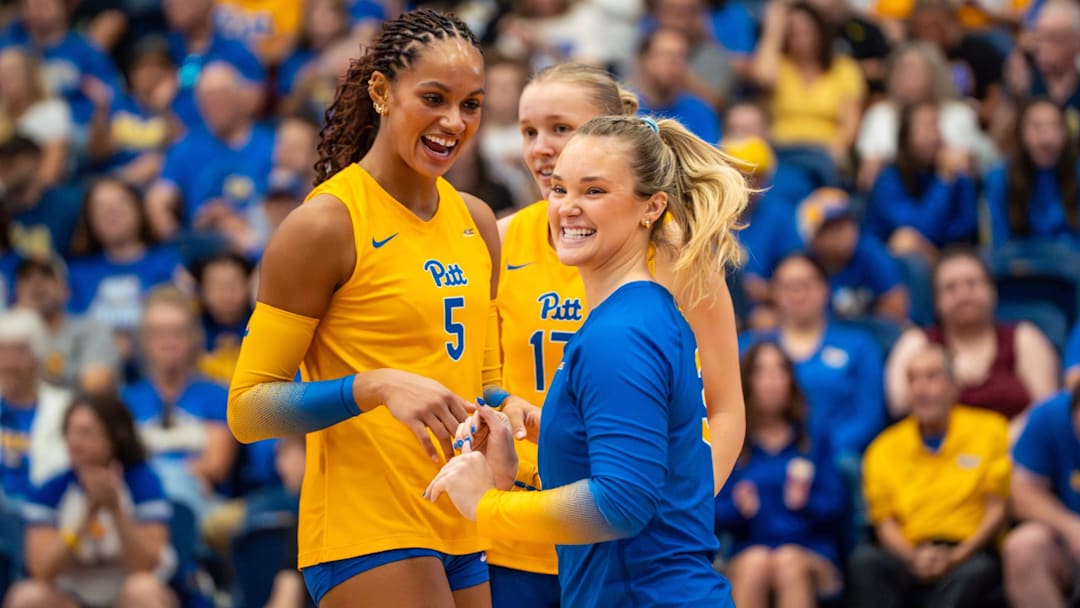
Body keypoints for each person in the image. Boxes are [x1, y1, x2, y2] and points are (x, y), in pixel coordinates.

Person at [227, 9, 499, 608]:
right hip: (363, 527)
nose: (454, 122)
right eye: (434, 98)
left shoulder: (477, 221)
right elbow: (248, 410)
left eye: (472, 104)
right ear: (380, 91)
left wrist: (515, 412)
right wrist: (370, 387)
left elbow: (482, 384)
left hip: (460, 516)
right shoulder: (325, 224)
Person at [428, 113, 744, 607]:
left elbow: (621, 504)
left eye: (593, 192)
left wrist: (489, 506)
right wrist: (542, 434)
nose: (567, 209)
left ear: (652, 207)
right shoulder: (644, 311)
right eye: (559, 190)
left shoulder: (620, 334)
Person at [849, 343, 1008, 608]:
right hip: (907, 552)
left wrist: (958, 555)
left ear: (954, 386)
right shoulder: (883, 448)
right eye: (913, 379)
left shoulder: (991, 431)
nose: (922, 389)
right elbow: (884, 522)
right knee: (865, 562)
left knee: (977, 572)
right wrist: (913, 558)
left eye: (932, 377)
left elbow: (997, 508)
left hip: (970, 549)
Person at [6, 392, 177, 608]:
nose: (76, 443)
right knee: (27, 597)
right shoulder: (50, 489)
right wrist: (86, 515)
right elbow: (42, 570)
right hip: (71, 597)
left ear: (114, 435)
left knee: (144, 590)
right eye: (71, 433)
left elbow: (146, 565)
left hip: (124, 592)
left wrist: (115, 511)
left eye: (86, 433)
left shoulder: (144, 484)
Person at [716, 342, 847, 607]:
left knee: (787, 561)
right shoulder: (731, 442)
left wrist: (806, 502)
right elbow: (711, 511)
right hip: (749, 551)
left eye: (780, 371)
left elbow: (838, 504)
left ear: (791, 380)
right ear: (747, 381)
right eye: (762, 372)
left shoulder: (814, 437)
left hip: (811, 551)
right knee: (757, 562)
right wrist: (738, 509)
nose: (772, 381)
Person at [885, 247, 1059, 436]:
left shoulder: (1024, 337)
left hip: (1013, 452)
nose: (963, 295)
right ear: (936, 300)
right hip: (940, 458)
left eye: (972, 284)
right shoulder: (917, 342)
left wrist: (998, 442)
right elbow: (898, 405)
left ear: (992, 291)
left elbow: (1046, 409)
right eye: (950, 287)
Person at [122, 287, 236, 521]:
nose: (168, 342)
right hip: (139, 506)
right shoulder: (125, 400)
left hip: (202, 505)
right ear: (143, 340)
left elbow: (215, 465)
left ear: (194, 337)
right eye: (158, 333)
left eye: (178, 333)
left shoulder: (217, 395)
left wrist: (158, 472)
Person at [865, 100, 979, 261]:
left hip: (947, 257)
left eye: (937, 125)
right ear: (906, 135)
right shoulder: (888, 180)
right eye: (926, 126)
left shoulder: (956, 174)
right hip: (895, 267)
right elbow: (919, 230)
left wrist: (963, 177)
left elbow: (968, 226)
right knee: (905, 242)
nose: (934, 135)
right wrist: (943, 181)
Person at [1004, 388, 1080, 608]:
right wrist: (1071, 527)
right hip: (1067, 543)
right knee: (1023, 547)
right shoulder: (1049, 415)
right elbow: (1020, 493)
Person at [984, 98, 1080, 249]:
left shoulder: (1077, 172)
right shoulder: (999, 177)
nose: (1047, 138)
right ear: (1020, 133)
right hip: (1019, 268)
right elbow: (1000, 243)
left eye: (1056, 127)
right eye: (1037, 127)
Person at [12, 255, 119, 391]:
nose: (36, 283)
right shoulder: (6, 337)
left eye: (47, 275)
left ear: (65, 290)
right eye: (26, 278)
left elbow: (96, 386)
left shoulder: (91, 330)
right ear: (16, 292)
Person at [0, 308, 72, 503]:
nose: (8, 363)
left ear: (38, 357)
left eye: (18, 352)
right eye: (2, 352)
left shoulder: (67, 410)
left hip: (46, 516)